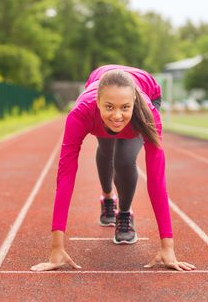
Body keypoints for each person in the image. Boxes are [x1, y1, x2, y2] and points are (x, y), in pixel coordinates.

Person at [31, 64, 196, 272]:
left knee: (124, 160)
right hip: (99, 84)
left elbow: (156, 179)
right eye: (109, 107)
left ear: (134, 102)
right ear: (98, 103)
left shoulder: (147, 114)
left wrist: (168, 247)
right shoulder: (80, 114)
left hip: (148, 92)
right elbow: (66, 175)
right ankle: (108, 197)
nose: (117, 116)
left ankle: (124, 213)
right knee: (106, 148)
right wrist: (56, 247)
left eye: (124, 108)